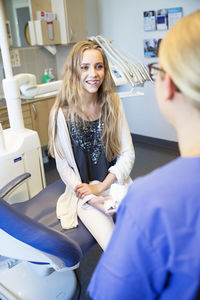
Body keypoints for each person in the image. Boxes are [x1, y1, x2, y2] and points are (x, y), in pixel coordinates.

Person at [88, 10, 200, 299]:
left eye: (157, 70)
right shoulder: (62, 113)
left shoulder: (153, 203)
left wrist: (123, 197)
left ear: (170, 85)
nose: (93, 75)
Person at [48, 40, 135, 250]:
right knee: (117, 249)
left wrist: (103, 186)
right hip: (82, 194)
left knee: (144, 232)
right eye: (84, 67)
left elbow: (127, 154)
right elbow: (64, 167)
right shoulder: (61, 113)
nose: (93, 74)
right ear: (74, 71)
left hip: (113, 183)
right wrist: (93, 198)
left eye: (99, 66)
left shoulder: (113, 103)